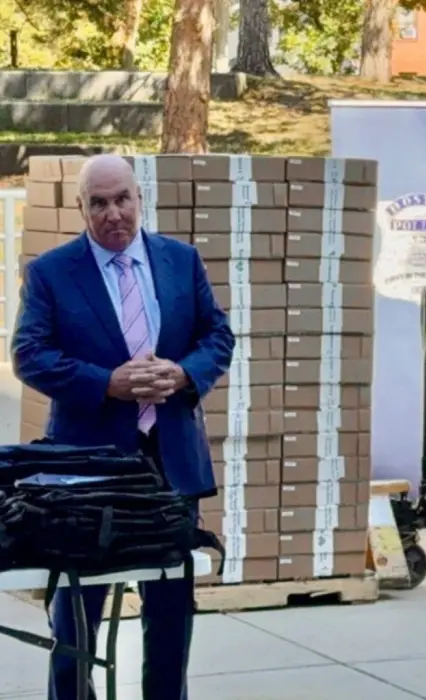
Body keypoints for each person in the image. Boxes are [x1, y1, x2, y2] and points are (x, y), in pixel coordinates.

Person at [11, 153, 235, 700]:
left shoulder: (180, 262)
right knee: (76, 620)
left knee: (170, 612)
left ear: (140, 198)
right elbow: (29, 355)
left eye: (122, 199)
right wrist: (104, 382)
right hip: (88, 473)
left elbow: (218, 337)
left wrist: (184, 373)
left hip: (170, 467)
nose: (113, 213)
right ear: (81, 208)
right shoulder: (52, 273)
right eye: (99, 203)